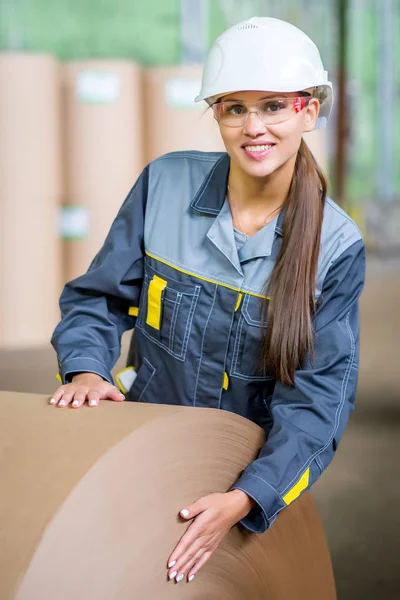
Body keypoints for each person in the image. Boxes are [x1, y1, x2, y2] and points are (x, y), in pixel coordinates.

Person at [50, 17, 365, 585]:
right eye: (233, 107)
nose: (254, 127)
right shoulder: (163, 186)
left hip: (240, 476)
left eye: (273, 106)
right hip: (141, 445)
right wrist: (87, 369)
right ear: (215, 113)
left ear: (308, 112)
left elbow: (317, 408)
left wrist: (247, 498)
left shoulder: (335, 248)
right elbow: (96, 298)